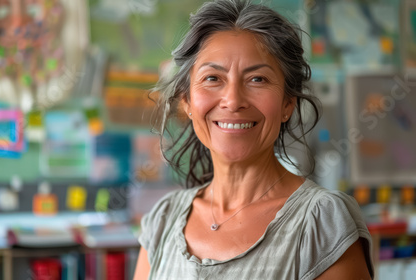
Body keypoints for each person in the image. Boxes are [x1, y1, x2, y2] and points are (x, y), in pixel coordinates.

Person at [134, 0, 374, 279]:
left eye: (257, 79)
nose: (233, 101)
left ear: (288, 104)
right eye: (212, 78)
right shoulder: (162, 221)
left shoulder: (321, 222)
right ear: (187, 101)